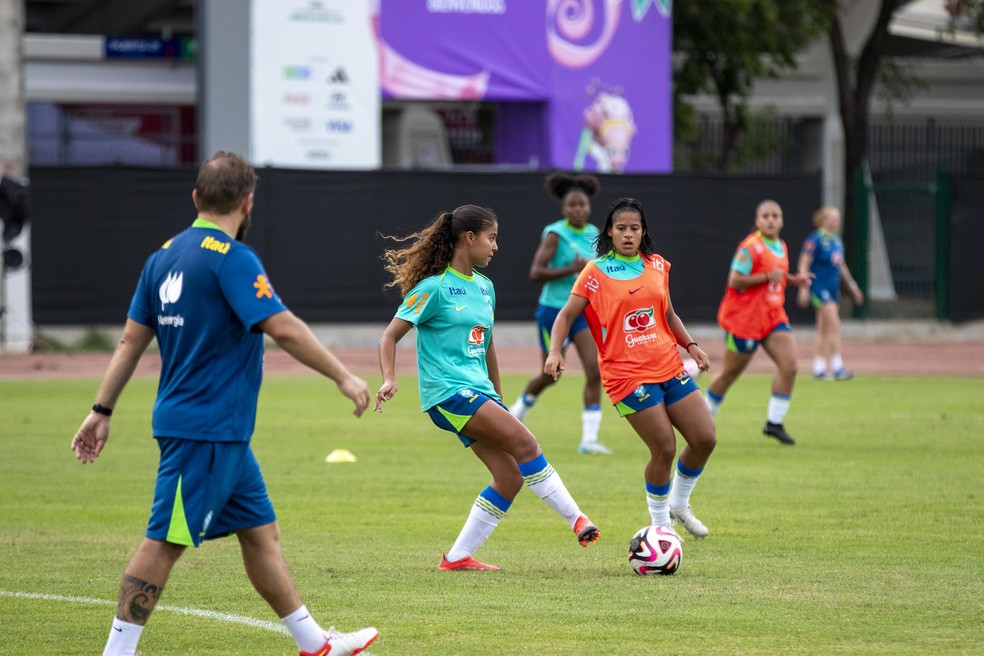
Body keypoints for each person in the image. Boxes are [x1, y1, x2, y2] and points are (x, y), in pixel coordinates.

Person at [70, 152, 379, 656]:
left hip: (218, 431)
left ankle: (315, 644)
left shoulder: (163, 256)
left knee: (261, 533)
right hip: (206, 430)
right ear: (247, 201)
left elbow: (130, 341)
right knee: (164, 541)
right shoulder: (232, 257)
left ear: (196, 198)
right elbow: (281, 326)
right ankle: (117, 653)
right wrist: (342, 375)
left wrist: (101, 411)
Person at [374, 204, 600, 572]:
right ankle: (578, 519)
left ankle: (457, 557)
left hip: (479, 394)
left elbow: (488, 345)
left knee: (510, 477)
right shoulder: (434, 288)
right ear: (469, 238)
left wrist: (498, 397)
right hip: (447, 394)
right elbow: (389, 336)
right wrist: (389, 377)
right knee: (526, 443)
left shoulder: (485, 287)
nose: (496, 247)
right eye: (491, 238)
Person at [544, 197, 717, 539]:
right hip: (626, 374)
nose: (627, 234)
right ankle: (661, 526)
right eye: (621, 228)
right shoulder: (594, 272)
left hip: (668, 363)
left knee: (705, 439)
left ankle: (679, 504)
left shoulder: (656, 266)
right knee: (665, 447)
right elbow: (565, 315)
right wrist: (554, 352)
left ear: (643, 232)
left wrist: (691, 346)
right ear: (609, 231)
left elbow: (668, 314)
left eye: (634, 229)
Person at [508, 171, 609, 454]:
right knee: (551, 374)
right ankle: (517, 411)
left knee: (594, 370)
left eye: (583, 204)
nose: (578, 209)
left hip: (581, 312)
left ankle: (589, 440)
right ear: (563, 208)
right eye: (572, 205)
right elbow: (536, 272)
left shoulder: (593, 234)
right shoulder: (556, 233)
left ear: (589, 207)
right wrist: (573, 269)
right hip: (553, 312)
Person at [704, 199, 813, 446]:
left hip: (773, 316)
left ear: (782, 220)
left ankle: (774, 423)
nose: (771, 220)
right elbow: (734, 280)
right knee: (730, 374)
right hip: (745, 320)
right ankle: (700, 419)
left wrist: (794, 280)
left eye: (775, 215)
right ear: (757, 221)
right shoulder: (750, 248)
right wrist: (766, 276)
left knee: (790, 366)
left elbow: (778, 277)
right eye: (765, 216)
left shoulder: (781, 245)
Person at [796, 206, 865, 380]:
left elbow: (841, 266)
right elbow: (803, 264)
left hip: (833, 289)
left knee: (824, 328)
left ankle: (818, 368)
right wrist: (803, 289)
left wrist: (853, 287)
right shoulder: (815, 239)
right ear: (823, 220)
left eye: (837, 218)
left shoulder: (836, 241)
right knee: (834, 324)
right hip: (819, 288)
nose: (835, 221)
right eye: (832, 218)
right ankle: (837, 366)